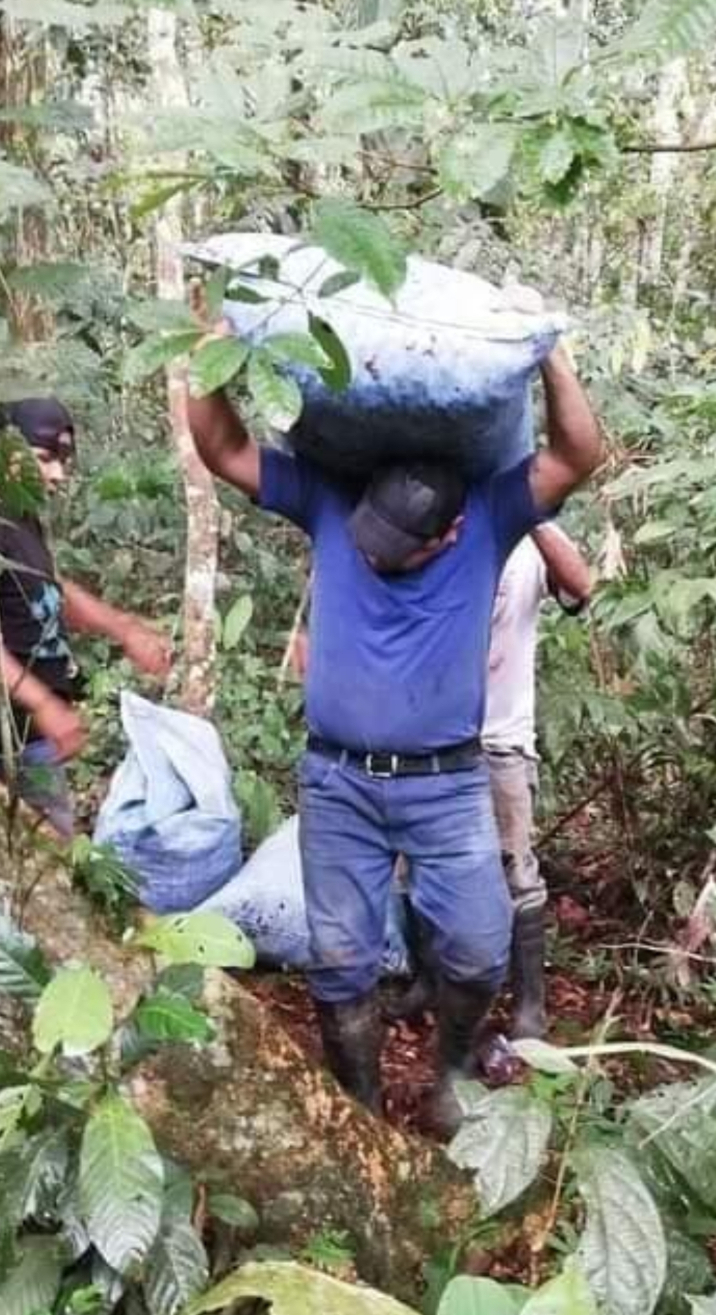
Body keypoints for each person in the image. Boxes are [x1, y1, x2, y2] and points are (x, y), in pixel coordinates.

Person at [187, 325, 603, 1134]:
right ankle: (362, 1113)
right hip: (337, 782)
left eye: (396, 549)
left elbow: (579, 452)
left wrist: (549, 349)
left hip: (444, 786)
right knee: (338, 962)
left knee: (480, 949)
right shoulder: (331, 500)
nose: (372, 556)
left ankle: (449, 1073)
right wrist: (212, 350)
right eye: (367, 542)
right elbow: (221, 446)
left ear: (444, 533)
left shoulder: (486, 517)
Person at [380, 524, 594, 1038]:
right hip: (423, 739)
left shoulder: (526, 543)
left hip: (499, 742)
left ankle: (529, 1007)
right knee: (411, 871)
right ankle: (429, 982)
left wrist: (537, 516)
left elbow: (580, 587)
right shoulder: (429, 527)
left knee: (514, 871)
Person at [0, 398, 171, 836]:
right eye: (43, 459)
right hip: (2, 734)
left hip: (30, 735)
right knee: (44, 857)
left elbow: (55, 590)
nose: (58, 475)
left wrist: (125, 628)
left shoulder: (17, 516)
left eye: (62, 461)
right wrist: (40, 703)